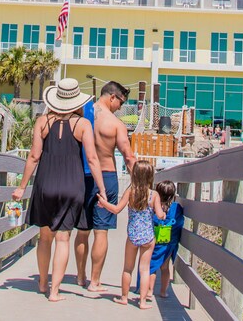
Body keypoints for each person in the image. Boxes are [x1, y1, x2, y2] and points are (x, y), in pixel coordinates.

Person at [12, 78, 107, 302]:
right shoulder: (83, 124)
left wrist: (21, 187)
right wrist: (101, 188)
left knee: (45, 238)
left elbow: (34, 156)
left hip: (46, 184)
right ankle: (55, 291)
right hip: (72, 185)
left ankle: (43, 282)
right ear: (76, 101)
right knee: (63, 239)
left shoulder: (42, 122)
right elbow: (92, 159)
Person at [74, 81, 137, 291]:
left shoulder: (82, 113)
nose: (120, 107)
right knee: (101, 232)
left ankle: (80, 277)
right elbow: (128, 157)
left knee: (82, 231)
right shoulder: (115, 124)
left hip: (83, 175)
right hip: (107, 176)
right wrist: (139, 182)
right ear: (112, 97)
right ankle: (94, 282)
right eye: (121, 102)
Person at [97, 160, 166, 309]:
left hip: (133, 236)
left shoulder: (130, 192)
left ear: (134, 175)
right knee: (145, 268)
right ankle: (142, 302)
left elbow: (116, 210)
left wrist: (104, 203)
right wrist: (163, 215)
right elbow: (160, 214)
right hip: (148, 236)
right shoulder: (154, 195)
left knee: (128, 268)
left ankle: (124, 297)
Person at [144, 180, 185, 300]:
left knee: (152, 267)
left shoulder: (154, 207)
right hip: (169, 243)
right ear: (173, 195)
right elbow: (179, 223)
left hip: (155, 242)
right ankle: (163, 291)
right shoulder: (176, 208)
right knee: (165, 268)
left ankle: (150, 291)